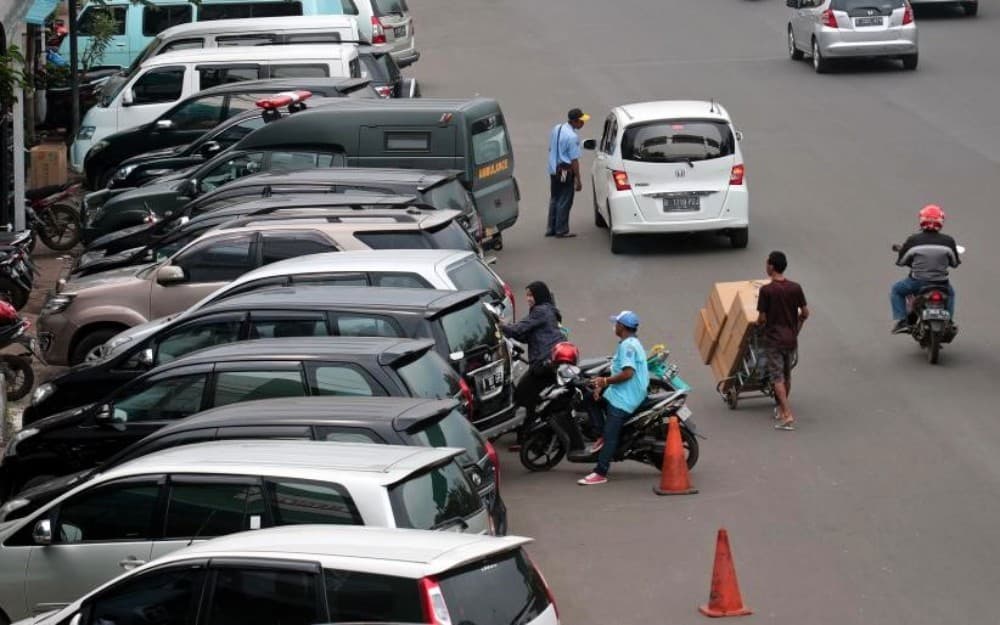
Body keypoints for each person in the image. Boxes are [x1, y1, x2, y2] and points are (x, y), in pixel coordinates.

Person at [578, 310, 649, 486]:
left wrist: (605, 380)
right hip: (620, 392)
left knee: (611, 436)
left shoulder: (628, 346)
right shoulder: (628, 342)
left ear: (622, 327)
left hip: (626, 398)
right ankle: (601, 433)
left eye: (616, 323)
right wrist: (602, 385)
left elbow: (628, 373)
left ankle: (600, 472)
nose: (614, 326)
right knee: (589, 398)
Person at [501, 282, 565, 450]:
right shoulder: (548, 310)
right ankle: (527, 436)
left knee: (524, 396)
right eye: (527, 295)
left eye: (531, 295)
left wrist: (499, 325)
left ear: (539, 295)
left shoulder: (540, 311)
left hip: (543, 363)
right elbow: (527, 335)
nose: (528, 299)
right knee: (532, 398)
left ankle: (528, 438)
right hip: (548, 361)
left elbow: (517, 330)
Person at [757, 251, 809, 431]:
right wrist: (796, 329)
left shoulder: (767, 291)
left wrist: (760, 325)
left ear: (771, 266)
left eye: (767, 263)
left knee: (776, 377)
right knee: (787, 375)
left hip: (774, 340)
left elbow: (762, 318)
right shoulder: (795, 287)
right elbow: (805, 313)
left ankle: (787, 414)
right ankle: (780, 409)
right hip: (790, 340)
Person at [890, 204, 960, 334]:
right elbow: (955, 263)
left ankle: (902, 321)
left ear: (922, 220)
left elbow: (901, 261)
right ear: (941, 220)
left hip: (918, 282)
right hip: (941, 283)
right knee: (951, 294)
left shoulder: (913, 240)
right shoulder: (948, 241)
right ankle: (949, 321)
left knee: (896, 290)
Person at [546, 108, 589, 238]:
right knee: (565, 199)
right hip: (564, 171)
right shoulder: (572, 137)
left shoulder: (558, 128)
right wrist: (578, 180)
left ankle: (551, 228)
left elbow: (551, 147)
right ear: (575, 121)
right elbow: (574, 160)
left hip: (553, 169)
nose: (583, 123)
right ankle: (561, 230)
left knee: (555, 198)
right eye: (581, 121)